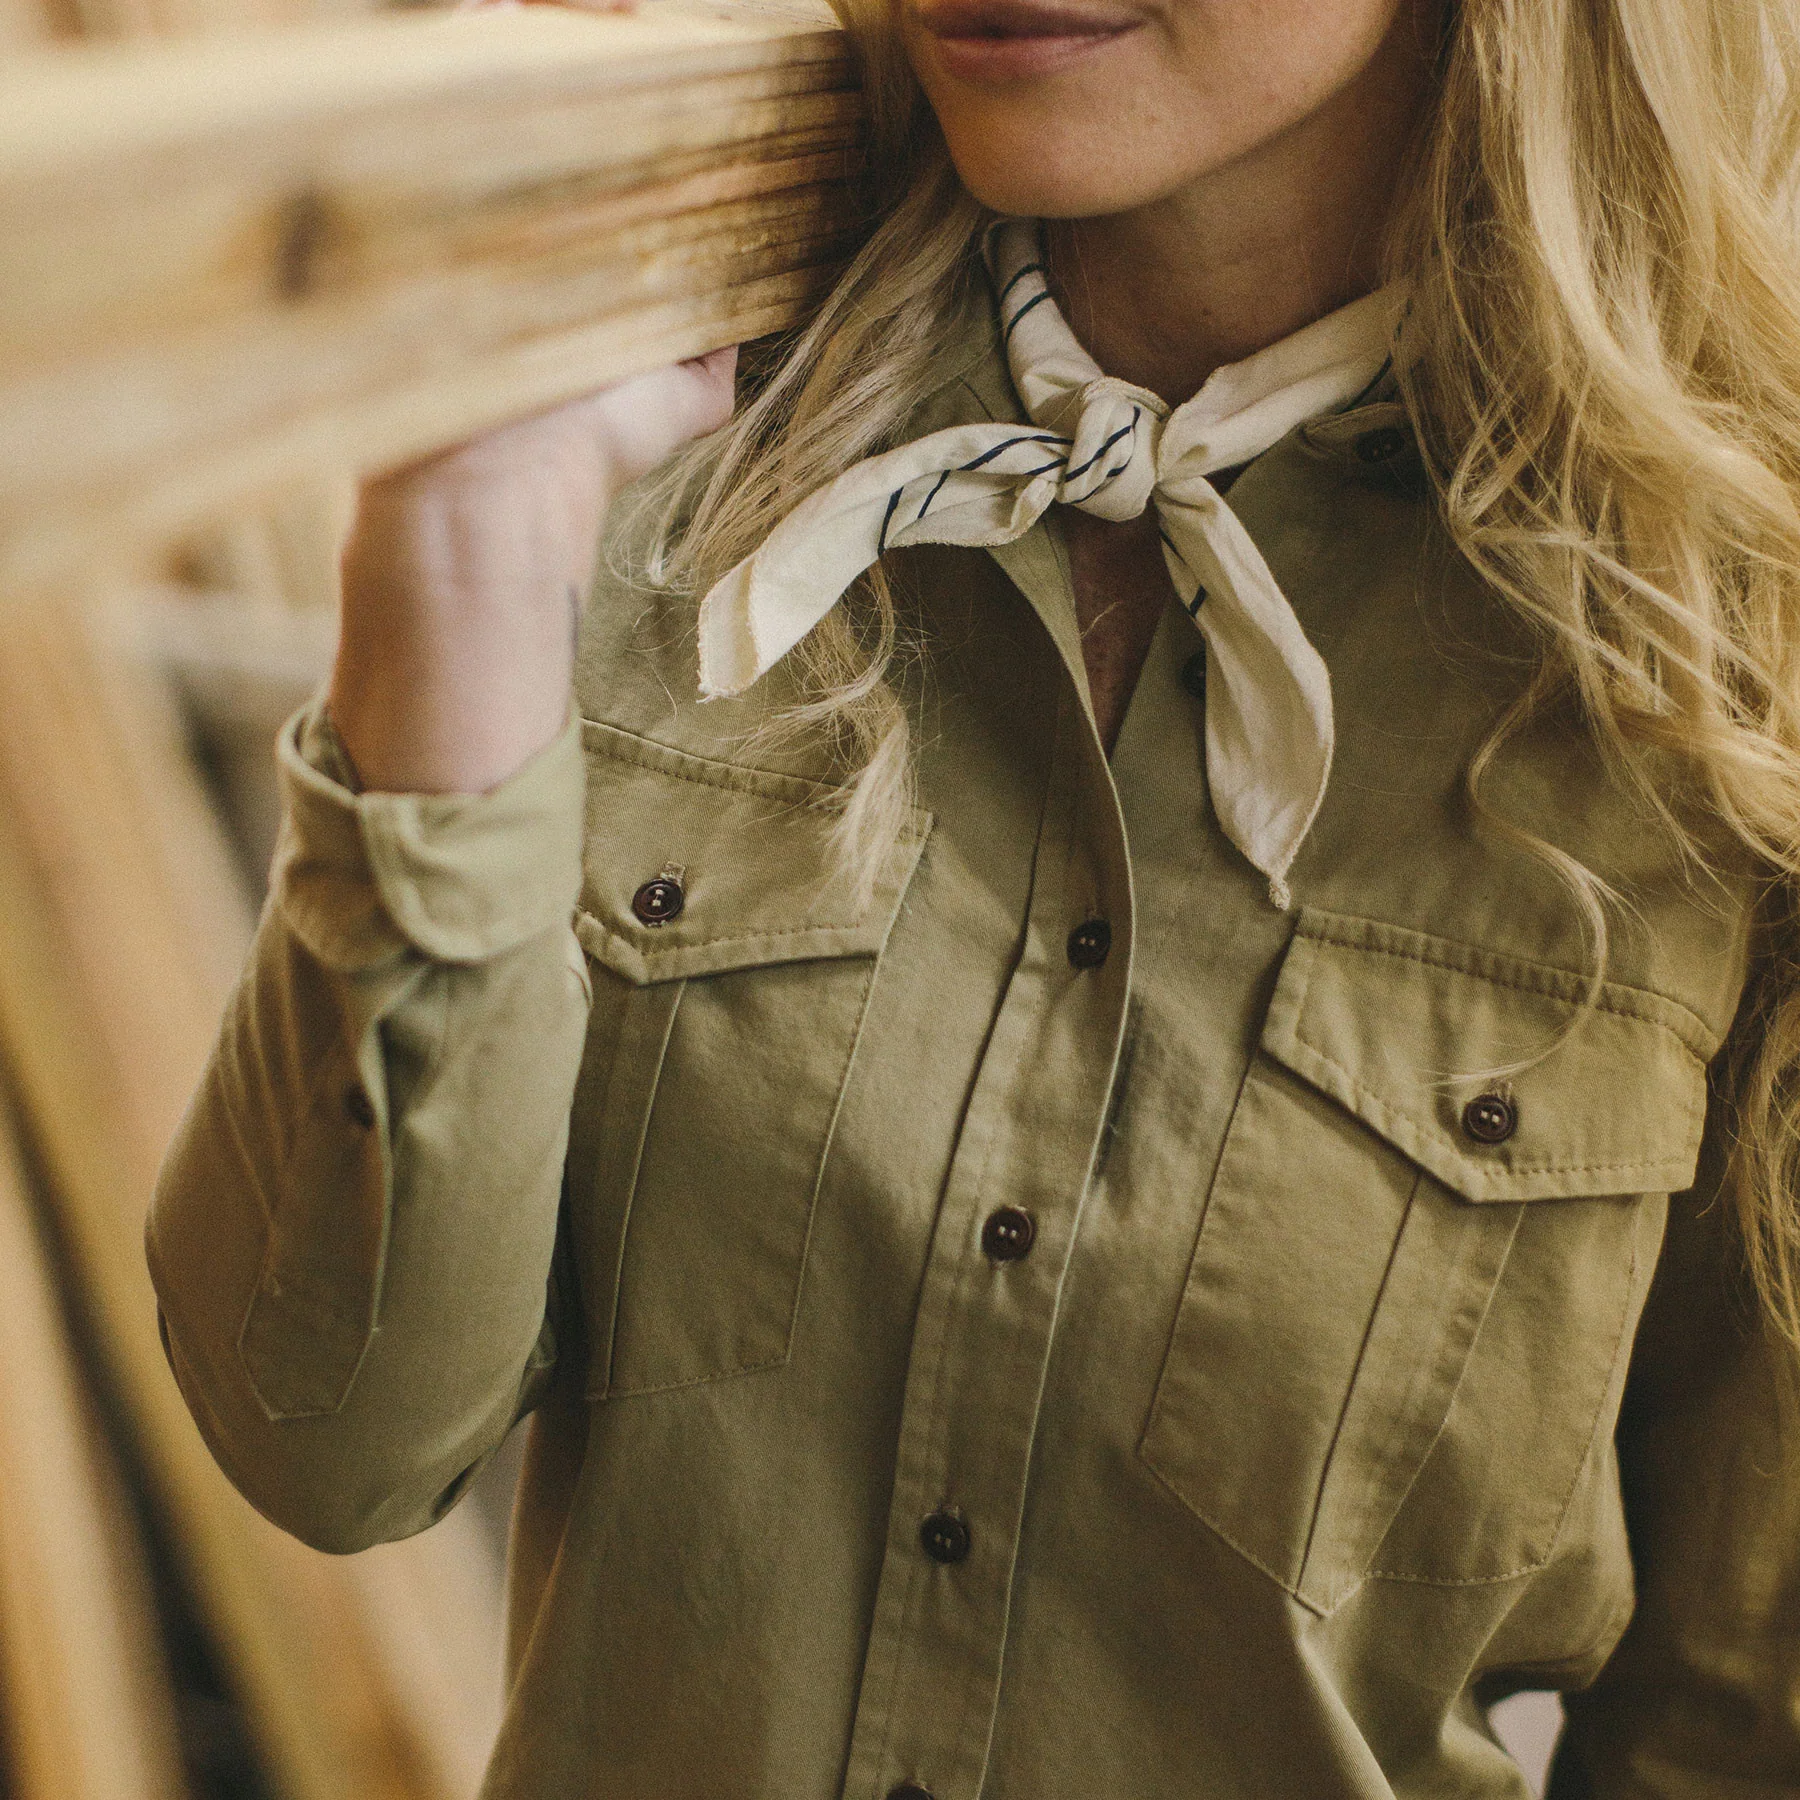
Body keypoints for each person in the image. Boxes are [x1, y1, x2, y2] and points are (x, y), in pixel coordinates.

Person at [147, 0, 1800, 1792]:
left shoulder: (1724, 680)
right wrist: (460, 545)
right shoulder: (671, 440)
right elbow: (321, 1426)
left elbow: (1741, 1722)